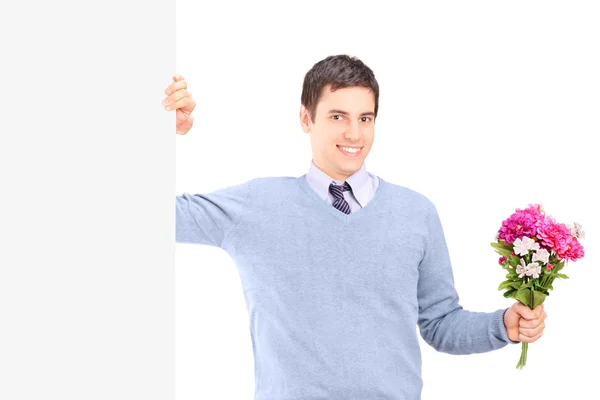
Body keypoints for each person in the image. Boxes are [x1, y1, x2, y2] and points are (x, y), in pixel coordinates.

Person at [163, 55, 547, 399]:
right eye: (337, 117)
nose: (354, 134)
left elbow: (440, 324)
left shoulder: (415, 213)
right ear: (305, 118)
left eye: (365, 118)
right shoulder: (255, 206)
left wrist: (503, 326)